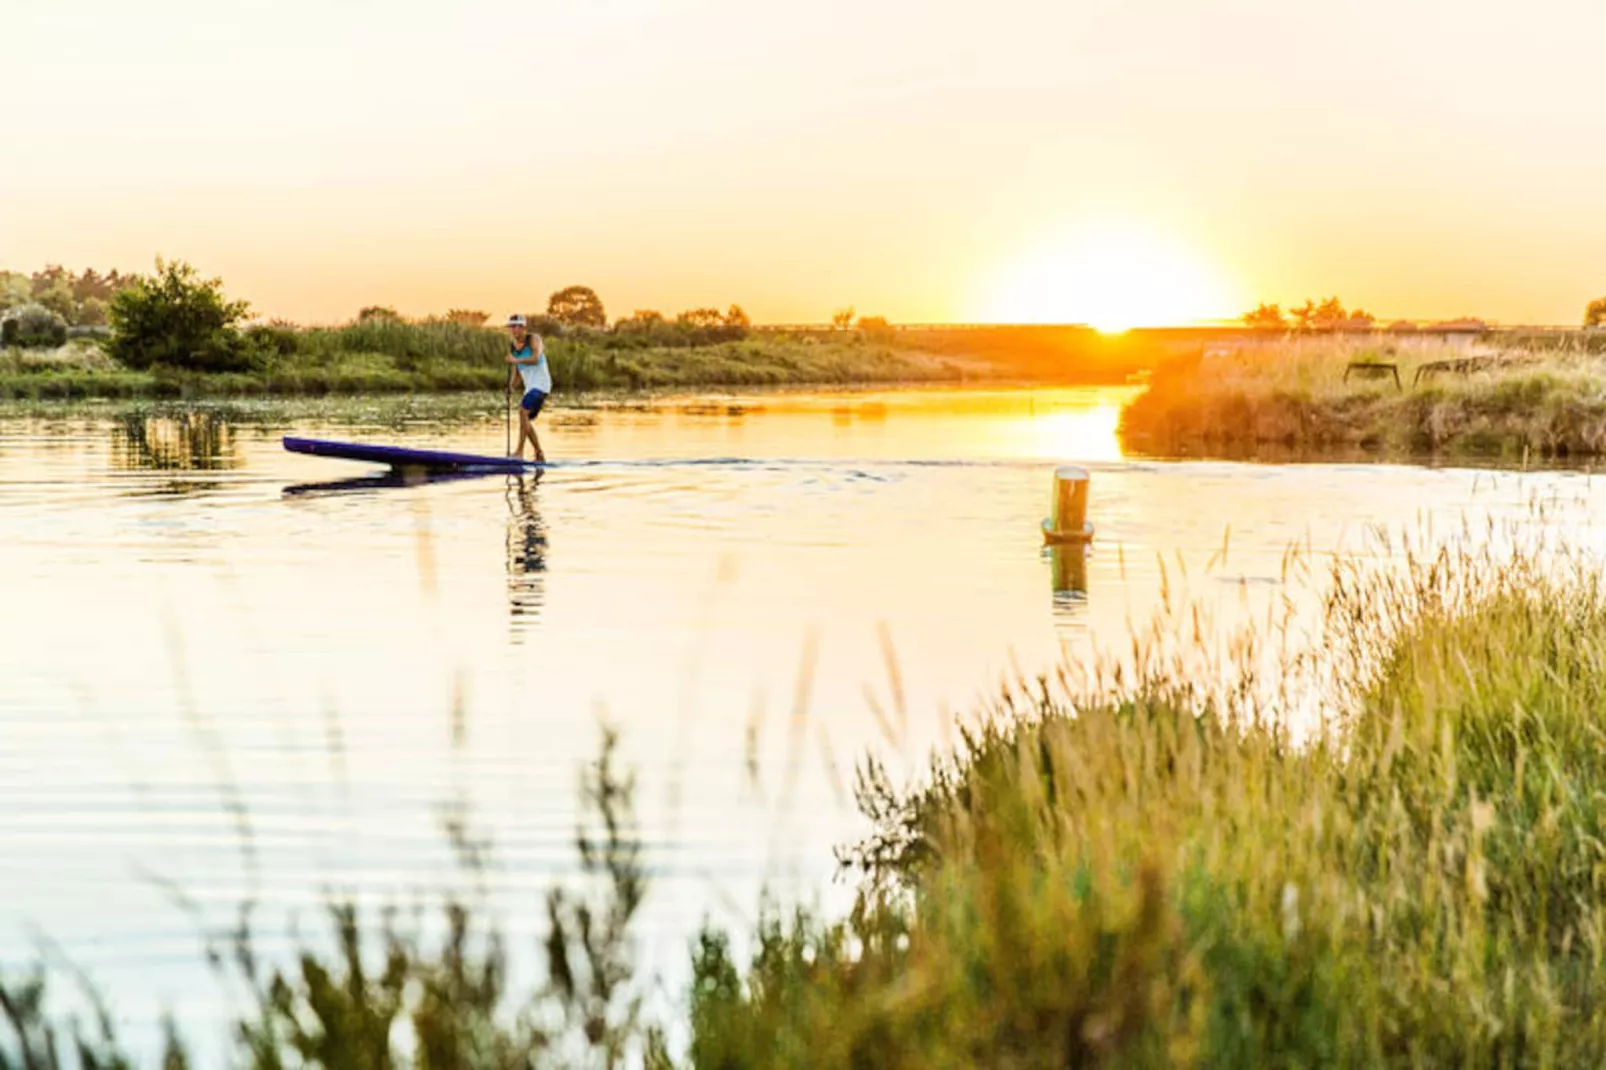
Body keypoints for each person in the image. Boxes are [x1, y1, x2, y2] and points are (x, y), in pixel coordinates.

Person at [505, 314, 551, 462]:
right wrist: (511, 387)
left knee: (522, 411)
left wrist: (515, 360)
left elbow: (536, 358)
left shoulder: (533, 340)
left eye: (518, 326)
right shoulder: (513, 347)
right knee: (525, 421)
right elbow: (518, 373)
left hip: (541, 385)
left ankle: (519, 452)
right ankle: (539, 453)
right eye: (512, 326)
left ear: (524, 328)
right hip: (530, 388)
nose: (515, 329)